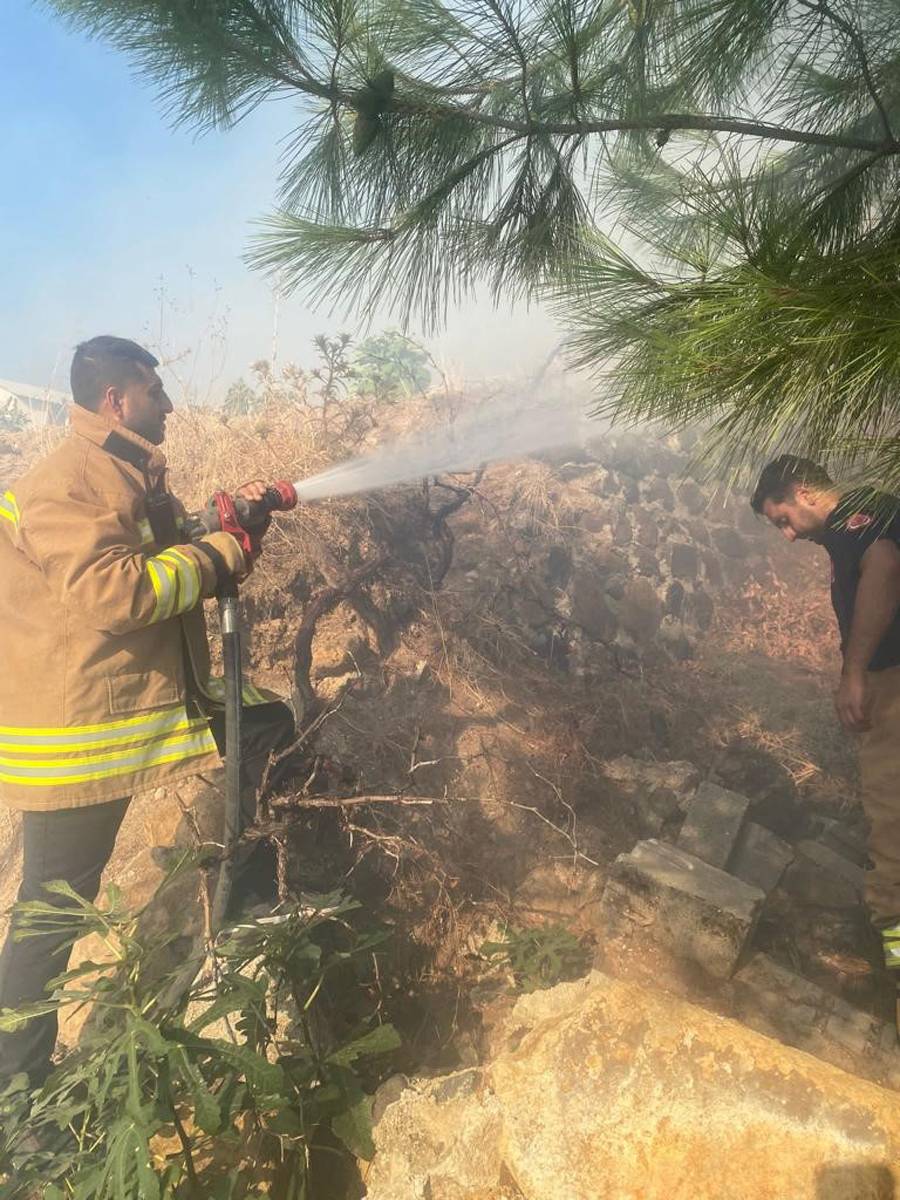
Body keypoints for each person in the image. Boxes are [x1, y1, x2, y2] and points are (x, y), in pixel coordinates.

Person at [0, 336, 294, 1089]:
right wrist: (218, 556)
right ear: (114, 400)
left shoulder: (120, 469)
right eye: (154, 391)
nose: (169, 403)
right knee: (53, 912)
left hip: (143, 695)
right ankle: (16, 1099)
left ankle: (250, 906)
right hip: (82, 728)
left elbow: (148, 552)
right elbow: (117, 593)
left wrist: (222, 526)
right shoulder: (65, 481)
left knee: (266, 724)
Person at [751, 455, 900, 990]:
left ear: (806, 493)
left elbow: (884, 568)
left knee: (892, 823)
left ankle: (897, 966)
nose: (787, 536)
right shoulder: (878, 509)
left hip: (891, 681)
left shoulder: (855, 522)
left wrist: (855, 673)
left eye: (783, 519)